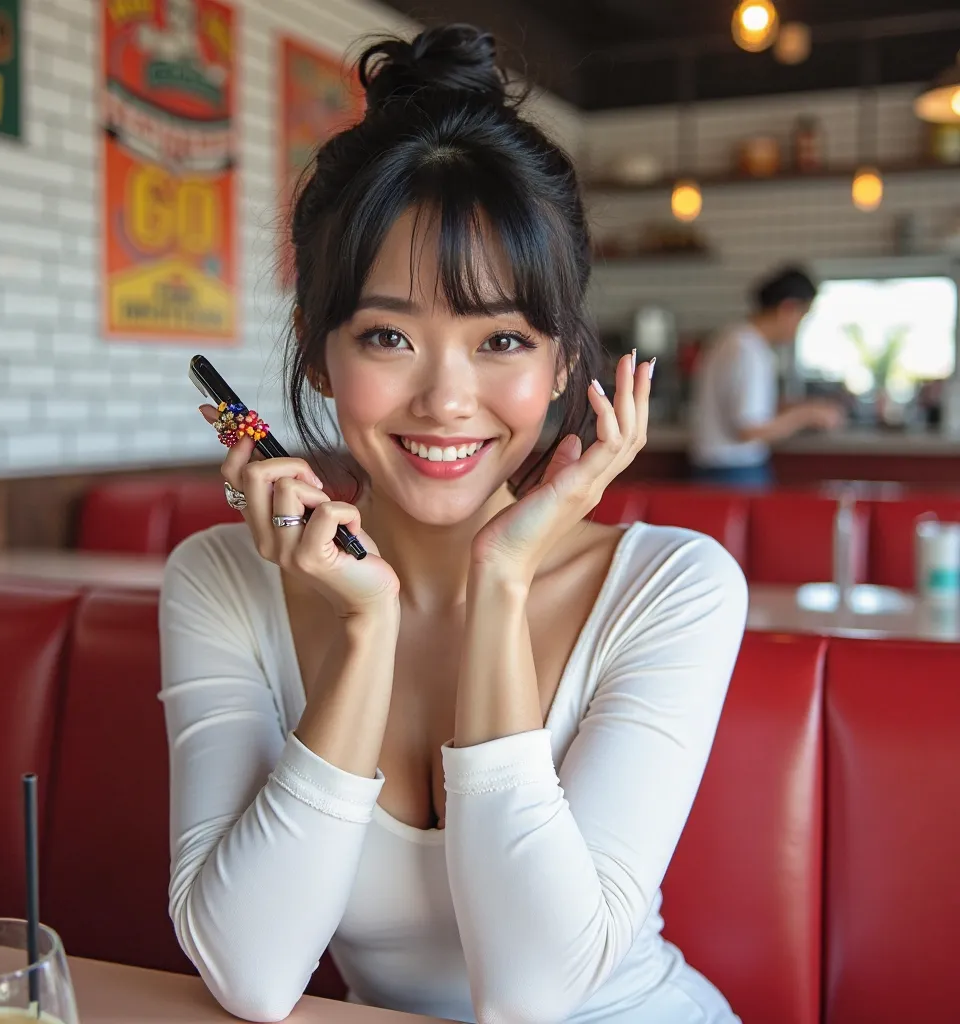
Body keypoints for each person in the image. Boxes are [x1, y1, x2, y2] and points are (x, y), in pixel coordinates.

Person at [160, 24, 747, 1024]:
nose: (445, 397)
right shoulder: (221, 580)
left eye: (502, 339)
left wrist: (501, 580)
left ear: (564, 364)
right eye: (388, 334)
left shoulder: (675, 586)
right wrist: (365, 630)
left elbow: (532, 995)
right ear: (316, 353)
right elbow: (251, 974)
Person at [688, 265, 844, 488]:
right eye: (803, 316)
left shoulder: (734, 339)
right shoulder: (746, 349)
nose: (800, 326)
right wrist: (807, 414)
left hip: (722, 470)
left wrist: (795, 407)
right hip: (732, 474)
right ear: (787, 308)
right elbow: (749, 428)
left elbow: (748, 410)